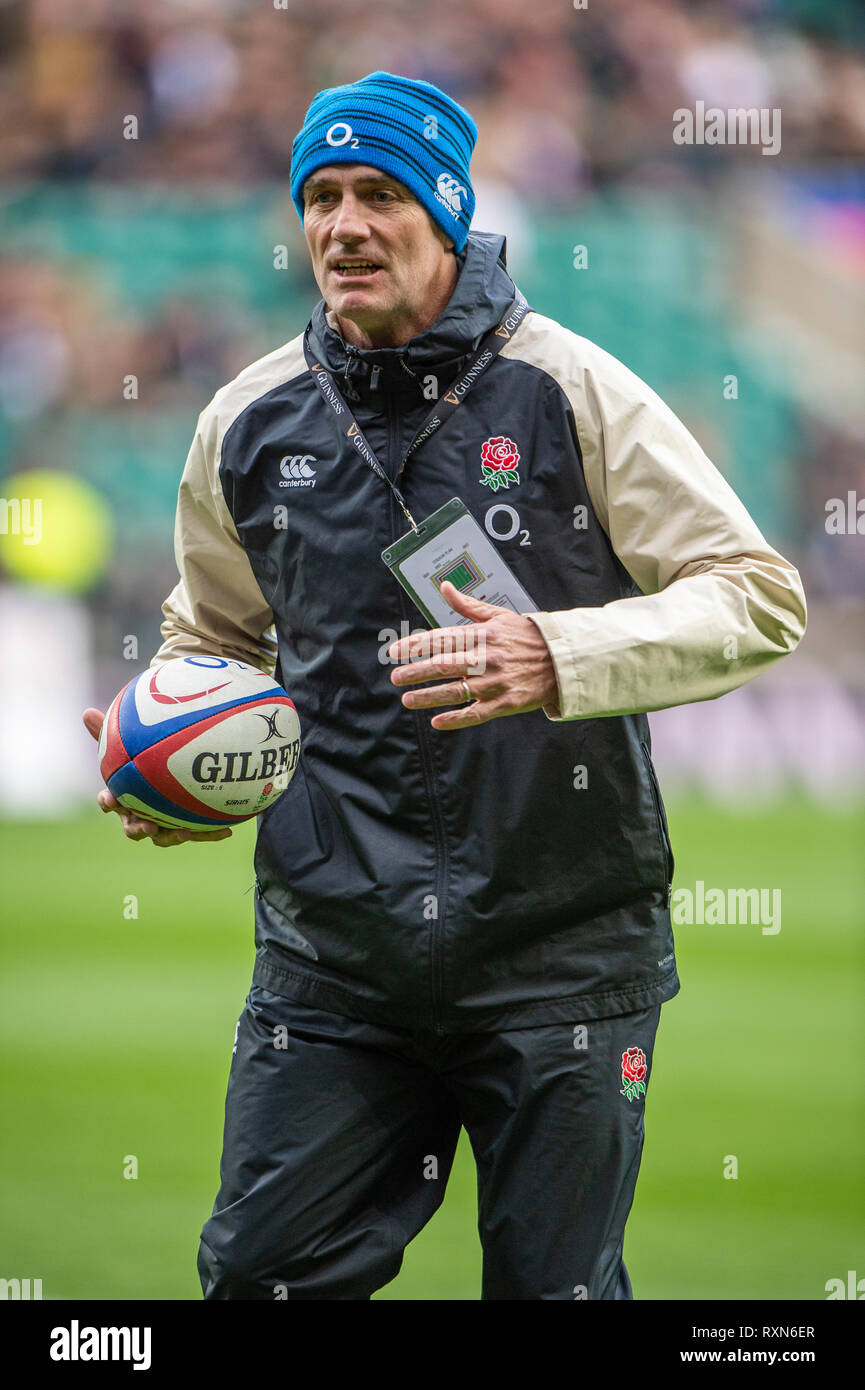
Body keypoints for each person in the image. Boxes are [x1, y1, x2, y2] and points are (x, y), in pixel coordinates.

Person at [83, 70, 806, 1300]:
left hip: (561, 949)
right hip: (332, 956)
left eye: (378, 194)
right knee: (258, 1278)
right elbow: (213, 633)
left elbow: (757, 594)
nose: (342, 224)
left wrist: (559, 655)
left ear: (449, 211)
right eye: (320, 195)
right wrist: (161, 751)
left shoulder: (573, 388)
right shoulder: (247, 422)